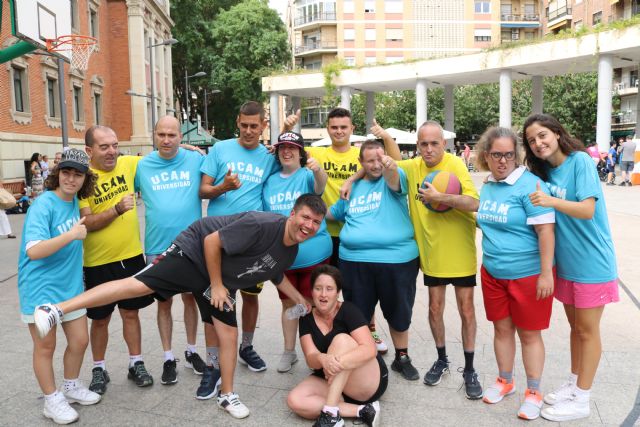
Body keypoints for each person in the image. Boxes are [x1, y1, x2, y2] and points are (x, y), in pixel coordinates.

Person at [33, 194, 327, 420]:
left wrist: (300, 299)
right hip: (194, 251)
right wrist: (217, 284)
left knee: (229, 335)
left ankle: (227, 395)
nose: (308, 225)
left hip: (219, 277)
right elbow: (212, 241)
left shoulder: (291, 251)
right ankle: (56, 309)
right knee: (137, 285)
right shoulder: (262, 223)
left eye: (315, 222)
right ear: (292, 213)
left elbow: (274, 272)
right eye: (305, 217)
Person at [524, 113, 619, 422]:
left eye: (542, 135)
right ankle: (574, 383)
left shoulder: (580, 162)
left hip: (592, 262)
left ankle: (582, 398)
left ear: (556, 132)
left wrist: (550, 201)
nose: (538, 143)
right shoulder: (546, 173)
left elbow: (587, 209)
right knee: (576, 329)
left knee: (589, 331)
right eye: (531, 141)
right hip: (567, 265)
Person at [283, 108, 402, 355]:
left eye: (343, 127)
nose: (338, 131)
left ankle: (366, 329)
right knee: (322, 289)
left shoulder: (361, 155)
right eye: (334, 127)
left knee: (356, 291)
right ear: (327, 128)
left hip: (352, 236)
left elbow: (389, 162)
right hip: (323, 235)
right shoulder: (317, 152)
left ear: (352, 129)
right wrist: (286, 128)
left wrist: (352, 178)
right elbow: (286, 150)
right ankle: (321, 333)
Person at [474, 127, 556, 420]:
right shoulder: (489, 186)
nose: (503, 160)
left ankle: (534, 392)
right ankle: (505, 380)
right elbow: (486, 220)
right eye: (497, 154)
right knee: (501, 329)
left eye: (509, 154)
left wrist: (546, 273)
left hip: (528, 274)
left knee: (530, 335)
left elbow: (546, 230)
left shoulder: (531, 185)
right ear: (487, 155)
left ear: (517, 155)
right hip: (493, 272)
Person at [397, 121, 483, 399]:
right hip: (432, 253)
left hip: (460, 250)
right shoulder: (412, 167)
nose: (429, 148)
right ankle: (442, 359)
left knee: (466, 310)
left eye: (435, 143)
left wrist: (440, 196)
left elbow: (474, 202)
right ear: (418, 146)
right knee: (434, 309)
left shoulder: (456, 164)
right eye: (424, 144)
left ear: (443, 144)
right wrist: (384, 136)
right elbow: (387, 160)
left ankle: (470, 368)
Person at [18, 149, 101, 424]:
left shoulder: (77, 201)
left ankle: (71, 387)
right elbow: (34, 250)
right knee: (46, 346)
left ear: (84, 179)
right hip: (40, 288)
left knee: (79, 340)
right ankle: (52, 401)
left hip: (70, 287)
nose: (71, 179)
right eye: (66, 172)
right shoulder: (43, 205)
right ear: (58, 173)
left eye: (77, 174)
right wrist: (71, 235)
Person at [327, 140, 420, 382]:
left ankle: (402, 357)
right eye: (370, 160)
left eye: (380, 159)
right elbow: (332, 214)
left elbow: (390, 174)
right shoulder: (352, 188)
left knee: (399, 312)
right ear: (361, 163)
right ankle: (366, 357)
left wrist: (388, 162)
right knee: (357, 314)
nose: (376, 164)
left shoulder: (394, 177)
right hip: (354, 261)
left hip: (396, 259)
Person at [199, 101, 278, 374]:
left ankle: (246, 346)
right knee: (218, 296)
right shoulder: (220, 149)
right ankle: (214, 359)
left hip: (252, 240)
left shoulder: (269, 157)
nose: (248, 131)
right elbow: (203, 190)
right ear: (237, 121)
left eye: (254, 126)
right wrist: (223, 187)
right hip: (218, 237)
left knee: (251, 296)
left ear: (263, 126)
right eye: (243, 125)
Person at [79, 125, 155, 394]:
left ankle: (137, 363)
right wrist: (116, 209)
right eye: (104, 147)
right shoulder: (82, 178)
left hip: (131, 257)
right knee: (100, 319)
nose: (112, 151)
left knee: (131, 314)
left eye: (114, 144)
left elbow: (162, 159)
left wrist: (190, 150)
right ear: (90, 151)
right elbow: (86, 222)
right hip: (98, 262)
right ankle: (98, 368)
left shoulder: (128, 163)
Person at [135, 116, 209, 386]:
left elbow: (220, 168)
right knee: (164, 303)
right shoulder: (141, 166)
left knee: (191, 300)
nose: (166, 140)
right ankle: (168, 357)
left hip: (191, 246)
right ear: (154, 135)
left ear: (181, 137)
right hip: (157, 247)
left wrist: (197, 150)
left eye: (172, 135)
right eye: (161, 134)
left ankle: (191, 350)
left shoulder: (196, 160)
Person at [262, 131, 331, 373]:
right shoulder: (269, 181)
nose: (287, 152)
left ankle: (319, 351)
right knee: (289, 305)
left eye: (292, 148)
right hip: (284, 258)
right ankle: (289, 351)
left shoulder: (306, 175)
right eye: (282, 148)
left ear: (301, 153)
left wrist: (317, 169)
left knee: (315, 303)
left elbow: (320, 185)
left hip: (314, 255)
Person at [287, 265, 386, 427]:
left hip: (367, 379)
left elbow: (370, 349)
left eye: (329, 289)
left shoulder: (349, 310)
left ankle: (331, 414)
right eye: (318, 288)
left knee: (342, 340)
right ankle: (363, 411)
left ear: (337, 292)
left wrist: (334, 364)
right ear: (311, 292)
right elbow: (311, 359)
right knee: (295, 400)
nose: (323, 294)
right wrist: (323, 359)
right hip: (335, 382)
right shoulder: (306, 318)